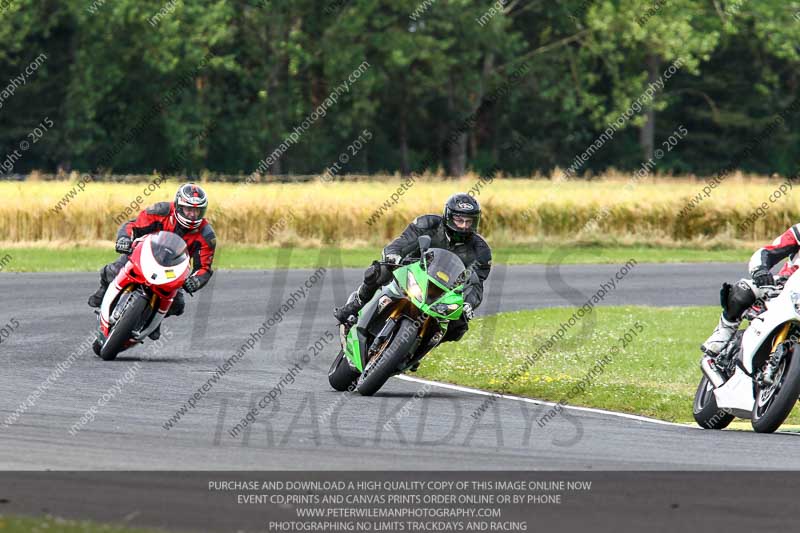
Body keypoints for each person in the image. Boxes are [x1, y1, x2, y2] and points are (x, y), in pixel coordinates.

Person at [334, 192, 492, 346]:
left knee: (460, 325)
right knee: (379, 271)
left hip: (444, 292)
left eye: (468, 221)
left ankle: (420, 347)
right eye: (459, 220)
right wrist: (392, 255)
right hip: (411, 271)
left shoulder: (481, 250)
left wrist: (468, 304)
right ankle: (356, 305)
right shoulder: (427, 224)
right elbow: (401, 243)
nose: (464, 226)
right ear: (449, 217)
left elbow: (476, 284)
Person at [88, 182, 217, 339]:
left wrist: (196, 281)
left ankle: (155, 319)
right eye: (189, 209)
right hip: (144, 256)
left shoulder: (206, 235)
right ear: (178, 206)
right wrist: (124, 239)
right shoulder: (160, 211)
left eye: (197, 211)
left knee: (178, 304)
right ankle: (103, 291)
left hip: (172, 271)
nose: (192, 215)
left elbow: (204, 267)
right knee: (113, 270)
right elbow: (133, 226)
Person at [701, 223, 800, 356]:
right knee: (744, 289)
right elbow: (766, 252)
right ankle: (724, 331)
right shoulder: (798, 231)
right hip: (783, 288)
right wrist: (760, 270)